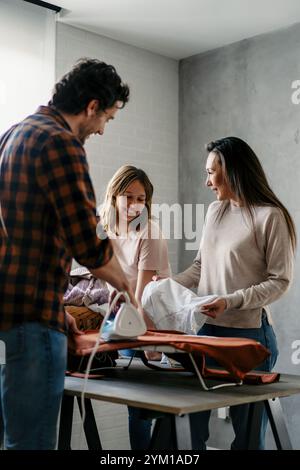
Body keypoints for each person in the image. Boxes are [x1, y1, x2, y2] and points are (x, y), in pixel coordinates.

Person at [0, 59, 135, 450]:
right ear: (91, 106)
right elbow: (86, 242)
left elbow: (19, 245)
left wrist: (59, 315)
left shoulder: (12, 136)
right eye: (106, 117)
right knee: (33, 444)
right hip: (33, 325)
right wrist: (125, 285)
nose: (102, 129)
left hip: (13, 317)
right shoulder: (62, 143)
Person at [170, 136, 296, 450]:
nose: (207, 181)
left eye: (212, 172)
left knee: (248, 440)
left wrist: (231, 301)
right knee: (189, 431)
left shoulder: (270, 217)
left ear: (233, 171)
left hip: (249, 338)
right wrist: (167, 286)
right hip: (207, 334)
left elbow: (280, 281)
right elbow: (201, 267)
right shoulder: (215, 211)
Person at [100, 164, 171, 449]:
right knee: (135, 404)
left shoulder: (149, 232)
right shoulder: (105, 229)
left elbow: (141, 298)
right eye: (128, 196)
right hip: (124, 317)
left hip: (152, 321)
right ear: (115, 195)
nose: (134, 204)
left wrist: (149, 348)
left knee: (148, 406)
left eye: (141, 199)